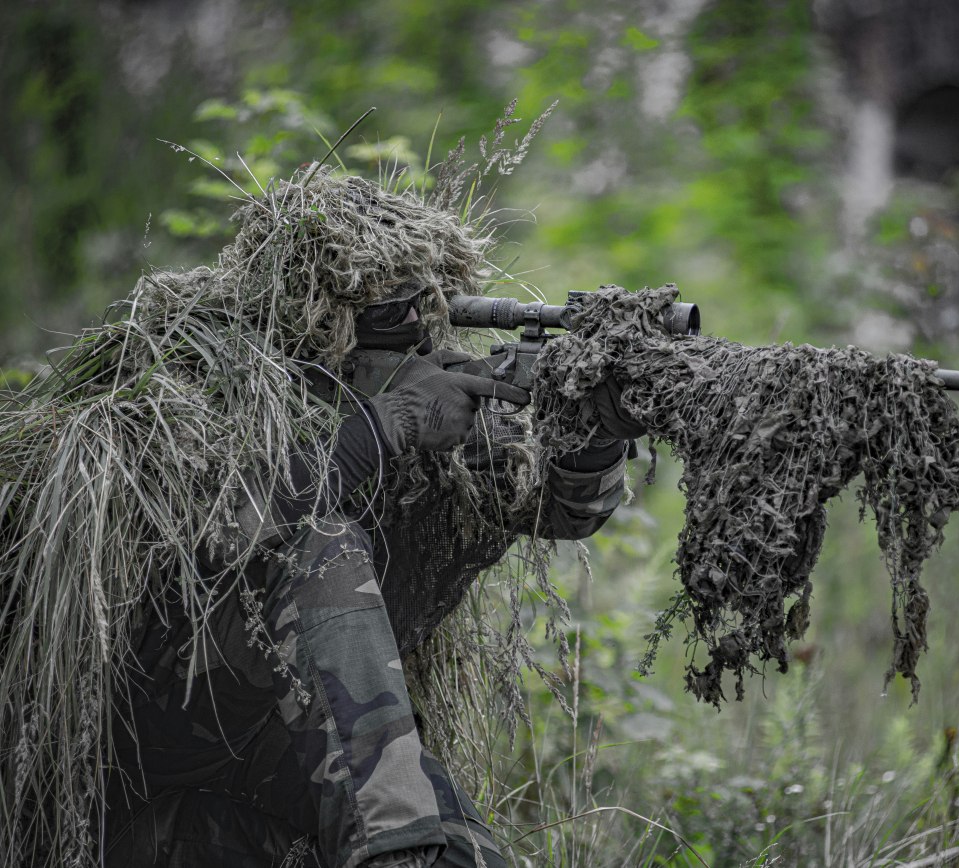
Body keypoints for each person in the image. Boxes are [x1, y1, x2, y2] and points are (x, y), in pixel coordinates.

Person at [102, 282, 645, 868]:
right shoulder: (219, 378)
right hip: (144, 759)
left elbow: (560, 510)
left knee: (462, 854)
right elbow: (218, 535)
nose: (414, 316)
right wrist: (383, 427)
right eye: (387, 304)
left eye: (424, 298)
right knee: (325, 545)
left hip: (279, 751)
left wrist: (594, 435)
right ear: (320, 315)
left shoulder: (432, 387)